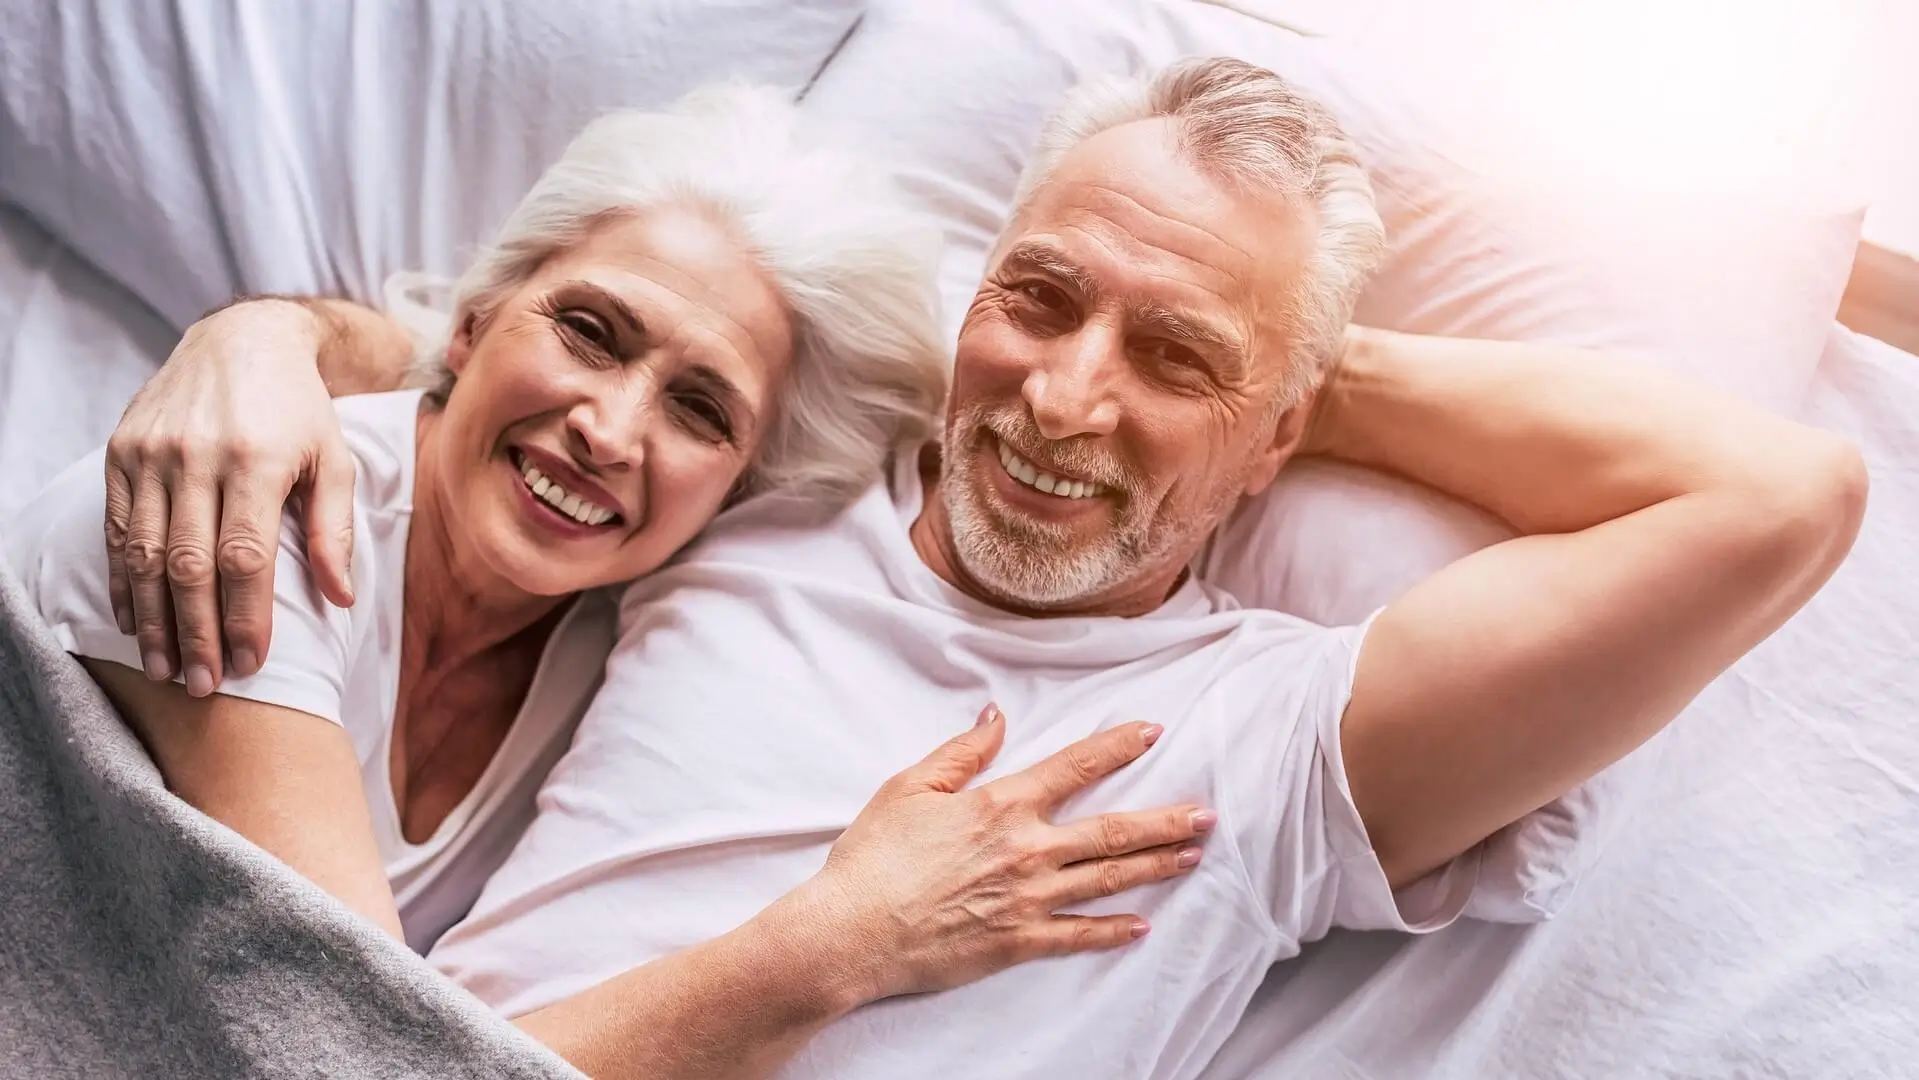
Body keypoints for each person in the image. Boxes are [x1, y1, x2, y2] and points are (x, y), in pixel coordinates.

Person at [94, 59, 1867, 1080]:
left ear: (1278, 436)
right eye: (1035, 296)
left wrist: (1304, 381)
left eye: (1166, 360)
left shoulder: (1267, 737)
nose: (1061, 393)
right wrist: (259, 335)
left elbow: (1776, 497)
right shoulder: (763, 488)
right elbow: (505, 359)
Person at [2, 86, 1224, 1079]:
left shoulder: (610, 643)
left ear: (736, 489)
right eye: (589, 330)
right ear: (478, 321)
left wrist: (1243, 390)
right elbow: (358, 1053)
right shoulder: (253, 506)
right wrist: (833, 948)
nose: (609, 426)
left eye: (701, 409)